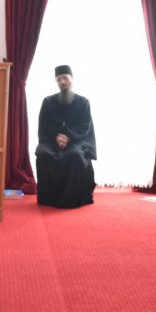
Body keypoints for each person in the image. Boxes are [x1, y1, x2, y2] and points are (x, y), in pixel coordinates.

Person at [35, 65, 96, 209]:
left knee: (75, 155)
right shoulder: (48, 102)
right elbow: (44, 125)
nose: (62, 81)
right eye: (59, 79)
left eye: (65, 78)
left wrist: (68, 137)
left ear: (72, 79)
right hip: (51, 140)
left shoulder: (83, 102)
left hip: (76, 140)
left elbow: (84, 126)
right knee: (44, 154)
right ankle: (49, 199)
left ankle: (71, 199)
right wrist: (56, 137)